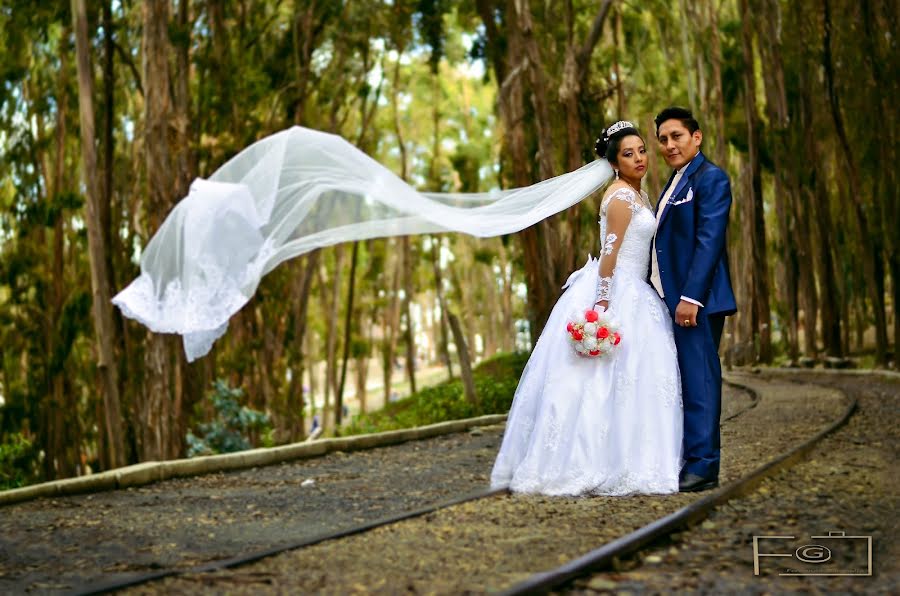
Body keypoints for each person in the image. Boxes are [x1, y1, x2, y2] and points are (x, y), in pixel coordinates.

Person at [490, 121, 683, 496]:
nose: (640, 158)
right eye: (629, 154)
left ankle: (627, 457)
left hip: (636, 290)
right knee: (598, 384)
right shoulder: (622, 199)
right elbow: (610, 256)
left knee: (627, 383)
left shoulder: (637, 194)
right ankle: (589, 462)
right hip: (616, 291)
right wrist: (601, 308)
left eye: (642, 150)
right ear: (614, 163)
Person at [651, 107, 736, 492]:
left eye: (677, 136)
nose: (670, 145)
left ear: (696, 137)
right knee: (682, 380)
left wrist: (690, 298)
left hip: (695, 303)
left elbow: (709, 240)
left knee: (700, 379)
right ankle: (689, 456)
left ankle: (704, 465)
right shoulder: (673, 182)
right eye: (663, 139)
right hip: (670, 302)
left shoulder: (710, 178)